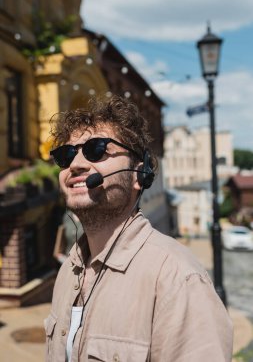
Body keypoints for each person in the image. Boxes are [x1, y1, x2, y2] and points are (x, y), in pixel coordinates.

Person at [45, 95, 233, 362]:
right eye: (66, 155)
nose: (75, 164)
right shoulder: (68, 272)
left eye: (96, 149)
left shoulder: (178, 279)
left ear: (139, 174)